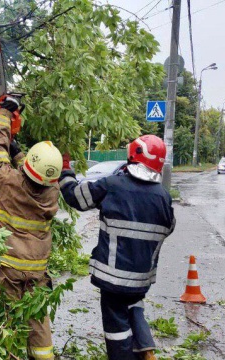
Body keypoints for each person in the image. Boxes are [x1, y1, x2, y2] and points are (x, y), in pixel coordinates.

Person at [59, 135, 175, 360]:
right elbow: (168, 227)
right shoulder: (164, 197)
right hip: (141, 280)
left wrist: (65, 169)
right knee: (134, 307)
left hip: (114, 281)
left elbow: (75, 197)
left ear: (134, 156)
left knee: (117, 331)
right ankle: (146, 352)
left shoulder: (113, 186)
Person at [0, 95, 63, 360]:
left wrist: (3, 115)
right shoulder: (52, 192)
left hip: (8, 268)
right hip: (37, 270)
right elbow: (32, 175)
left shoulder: (7, 183)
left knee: (5, 320)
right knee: (37, 319)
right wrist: (17, 150)